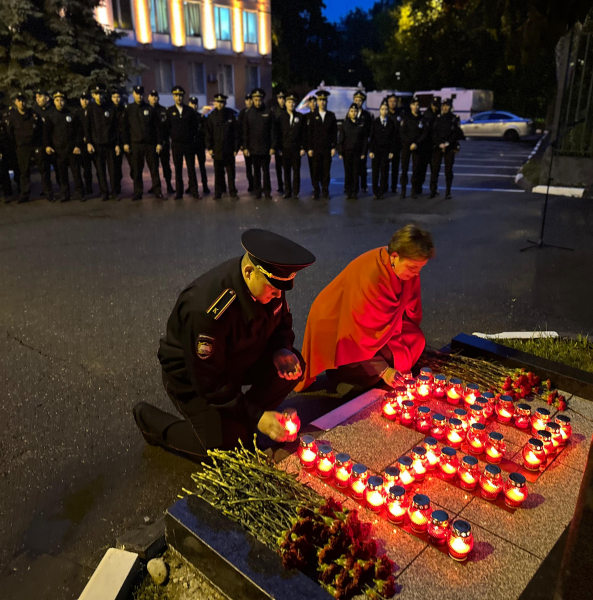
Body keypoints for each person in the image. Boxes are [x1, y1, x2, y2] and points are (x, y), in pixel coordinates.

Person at [133, 229, 316, 457]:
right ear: (249, 272)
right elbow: (209, 382)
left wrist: (280, 348)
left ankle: (241, 421)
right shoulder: (207, 309)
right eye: (273, 288)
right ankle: (151, 422)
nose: (279, 295)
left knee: (293, 366)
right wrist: (258, 417)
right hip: (193, 377)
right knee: (229, 450)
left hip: (237, 360)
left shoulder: (270, 286)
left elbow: (282, 323)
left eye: (281, 289)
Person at [297, 224, 434, 394]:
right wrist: (384, 371)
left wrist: (402, 332)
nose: (416, 273)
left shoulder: (405, 269)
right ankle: (342, 377)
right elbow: (356, 336)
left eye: (420, 268)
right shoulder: (371, 278)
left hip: (376, 330)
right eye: (413, 267)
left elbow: (412, 311)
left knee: (416, 339)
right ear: (395, 256)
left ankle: (363, 379)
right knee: (387, 359)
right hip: (341, 332)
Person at [6, 92, 50, 203]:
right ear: (16, 102)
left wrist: (41, 145)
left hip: (35, 146)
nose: (22, 103)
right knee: (24, 172)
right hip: (22, 148)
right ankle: (25, 194)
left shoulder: (34, 114)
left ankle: (48, 192)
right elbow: (10, 133)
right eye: (19, 100)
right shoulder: (13, 116)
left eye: (23, 100)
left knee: (43, 169)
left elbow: (41, 130)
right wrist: (15, 146)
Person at [123, 85, 164, 201]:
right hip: (136, 144)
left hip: (150, 144)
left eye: (141, 94)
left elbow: (157, 128)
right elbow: (125, 128)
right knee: (137, 170)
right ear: (133, 94)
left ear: (144, 95)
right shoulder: (129, 109)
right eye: (137, 93)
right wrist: (126, 143)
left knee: (154, 169)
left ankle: (157, 191)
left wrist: (159, 143)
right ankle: (138, 193)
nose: (139, 96)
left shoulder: (150, 109)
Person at [44, 91, 85, 203]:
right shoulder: (50, 115)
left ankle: (80, 193)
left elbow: (79, 132)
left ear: (65, 101)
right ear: (54, 101)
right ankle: (65, 194)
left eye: (62, 100)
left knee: (76, 173)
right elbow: (46, 133)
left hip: (72, 149)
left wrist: (77, 145)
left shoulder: (72, 114)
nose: (60, 102)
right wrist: (48, 146)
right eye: (57, 100)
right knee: (62, 175)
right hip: (58, 150)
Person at [86, 86, 120, 201]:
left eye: (100, 93)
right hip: (97, 145)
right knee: (100, 171)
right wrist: (89, 143)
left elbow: (116, 127)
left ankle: (114, 192)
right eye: (96, 94)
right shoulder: (91, 108)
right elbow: (88, 127)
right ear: (93, 95)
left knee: (113, 170)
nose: (99, 96)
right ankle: (104, 192)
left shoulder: (110, 107)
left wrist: (117, 144)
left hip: (110, 144)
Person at [167, 85, 201, 200]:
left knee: (191, 168)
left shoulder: (189, 111)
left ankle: (194, 191)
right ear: (173, 97)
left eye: (180, 95)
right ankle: (179, 193)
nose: (179, 98)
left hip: (188, 144)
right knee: (178, 169)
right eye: (176, 95)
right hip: (176, 144)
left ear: (183, 97)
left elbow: (195, 126)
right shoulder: (170, 111)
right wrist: (172, 137)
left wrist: (190, 137)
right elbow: (167, 127)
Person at [243, 88, 276, 199]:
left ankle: (267, 192)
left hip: (266, 148)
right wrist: (245, 147)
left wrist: (273, 146)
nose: (258, 102)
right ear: (252, 100)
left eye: (259, 100)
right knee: (256, 171)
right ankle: (257, 191)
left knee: (266, 171)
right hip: (253, 148)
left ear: (262, 99)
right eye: (255, 100)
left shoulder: (268, 112)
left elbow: (272, 131)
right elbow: (245, 132)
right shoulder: (249, 113)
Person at [205, 93, 239, 200]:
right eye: (218, 102)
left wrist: (236, 148)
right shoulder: (211, 116)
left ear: (225, 103)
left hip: (229, 149)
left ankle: (232, 192)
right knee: (218, 173)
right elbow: (208, 133)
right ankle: (218, 193)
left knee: (231, 173)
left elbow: (236, 133)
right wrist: (209, 147)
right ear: (215, 103)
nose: (220, 104)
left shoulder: (230, 115)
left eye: (222, 102)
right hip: (217, 149)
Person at [0, 90, 19, 199]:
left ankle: (20, 187)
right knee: (1, 169)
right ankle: (7, 191)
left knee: (16, 166)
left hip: (10, 143)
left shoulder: (9, 110)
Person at [429, 98, 463, 199]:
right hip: (438, 147)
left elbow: (456, 133)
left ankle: (448, 191)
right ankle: (433, 190)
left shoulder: (454, 118)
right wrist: (439, 144)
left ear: (450, 107)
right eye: (443, 105)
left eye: (447, 106)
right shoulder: (438, 118)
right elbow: (434, 133)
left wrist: (447, 143)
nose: (444, 108)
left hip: (449, 147)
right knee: (435, 169)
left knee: (448, 171)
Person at [306, 90, 336, 200]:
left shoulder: (331, 116)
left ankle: (325, 190)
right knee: (315, 170)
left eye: (324, 100)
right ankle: (316, 190)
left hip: (327, 148)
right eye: (320, 100)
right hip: (316, 148)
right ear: (317, 101)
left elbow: (334, 133)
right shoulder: (313, 116)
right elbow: (309, 133)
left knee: (326, 171)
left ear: (327, 101)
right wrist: (309, 148)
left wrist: (333, 147)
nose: (322, 102)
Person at [275, 94, 305, 199]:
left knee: (296, 171)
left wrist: (303, 147)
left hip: (296, 149)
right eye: (289, 102)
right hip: (285, 149)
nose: (291, 104)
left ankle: (296, 192)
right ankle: (287, 191)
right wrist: (278, 148)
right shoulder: (281, 117)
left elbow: (303, 134)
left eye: (293, 102)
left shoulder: (300, 117)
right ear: (286, 103)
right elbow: (278, 134)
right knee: (286, 171)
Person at [399, 96, 428, 199]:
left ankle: (413, 191)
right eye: (413, 104)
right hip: (406, 146)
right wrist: (410, 143)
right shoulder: (406, 117)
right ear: (410, 106)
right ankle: (403, 191)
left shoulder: (422, 118)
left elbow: (424, 133)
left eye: (417, 105)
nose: (415, 107)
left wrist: (416, 143)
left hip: (417, 146)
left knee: (416, 169)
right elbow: (402, 133)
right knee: (404, 169)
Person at [338, 103, 367, 200]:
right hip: (347, 152)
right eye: (351, 111)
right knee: (348, 172)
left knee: (356, 172)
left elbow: (364, 139)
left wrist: (363, 152)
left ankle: (355, 191)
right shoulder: (345, 124)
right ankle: (348, 191)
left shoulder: (361, 123)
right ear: (349, 112)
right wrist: (340, 151)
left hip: (357, 152)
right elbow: (341, 139)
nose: (353, 113)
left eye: (355, 111)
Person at [369, 101, 397, 200]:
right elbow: (372, 137)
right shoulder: (375, 122)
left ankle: (382, 191)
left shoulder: (391, 123)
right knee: (375, 172)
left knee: (384, 171)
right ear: (379, 110)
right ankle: (375, 191)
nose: (384, 111)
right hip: (376, 151)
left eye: (386, 109)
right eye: (382, 109)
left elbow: (393, 138)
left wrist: (391, 151)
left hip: (386, 150)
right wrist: (371, 150)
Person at [149, 90, 175, 195]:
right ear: (148, 98)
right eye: (152, 96)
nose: (154, 98)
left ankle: (169, 185)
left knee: (166, 166)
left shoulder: (164, 110)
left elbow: (169, 126)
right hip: (151, 144)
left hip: (164, 143)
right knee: (153, 166)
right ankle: (155, 186)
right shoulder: (146, 110)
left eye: (156, 96)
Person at [33, 89, 58, 196]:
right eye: (36, 97)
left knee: (58, 168)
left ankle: (63, 189)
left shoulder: (54, 110)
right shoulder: (35, 111)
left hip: (54, 144)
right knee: (44, 170)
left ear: (47, 98)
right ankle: (47, 191)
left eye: (40, 96)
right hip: (41, 145)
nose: (37, 99)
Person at [188, 96, 211, 196]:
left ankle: (205, 186)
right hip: (190, 146)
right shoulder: (186, 117)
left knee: (202, 167)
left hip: (200, 145)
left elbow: (205, 131)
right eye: (192, 103)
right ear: (189, 104)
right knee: (191, 167)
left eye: (195, 104)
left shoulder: (201, 117)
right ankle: (191, 186)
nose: (194, 106)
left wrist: (206, 144)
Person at [353, 90, 372, 195]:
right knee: (352, 167)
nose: (357, 102)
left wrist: (367, 145)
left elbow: (369, 130)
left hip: (362, 144)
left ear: (363, 102)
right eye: (356, 100)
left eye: (360, 100)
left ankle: (364, 186)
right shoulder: (350, 113)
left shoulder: (366, 115)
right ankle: (351, 185)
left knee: (362, 167)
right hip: (353, 144)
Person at [110, 89, 129, 197]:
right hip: (115, 142)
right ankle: (116, 189)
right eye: (114, 97)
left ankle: (137, 188)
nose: (116, 99)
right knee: (116, 167)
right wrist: (116, 143)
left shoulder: (125, 110)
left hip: (126, 141)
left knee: (134, 166)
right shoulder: (110, 110)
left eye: (118, 97)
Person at [78, 93, 94, 196]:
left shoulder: (93, 111)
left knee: (92, 167)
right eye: (82, 99)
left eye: (86, 99)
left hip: (93, 142)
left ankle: (90, 187)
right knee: (85, 167)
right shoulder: (78, 113)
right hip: (82, 144)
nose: (84, 101)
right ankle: (87, 187)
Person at [386, 94, 403, 193]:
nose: (392, 103)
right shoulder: (386, 113)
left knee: (395, 167)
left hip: (397, 144)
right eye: (390, 101)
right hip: (386, 144)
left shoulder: (400, 114)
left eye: (394, 101)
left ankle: (394, 186)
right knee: (385, 166)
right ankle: (384, 185)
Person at [238, 93, 254, 192]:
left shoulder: (256, 111)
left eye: (251, 99)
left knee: (256, 166)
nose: (249, 101)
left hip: (255, 144)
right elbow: (239, 129)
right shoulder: (243, 113)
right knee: (248, 166)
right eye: (247, 100)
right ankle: (251, 184)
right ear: (245, 101)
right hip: (246, 144)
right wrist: (241, 144)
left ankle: (257, 184)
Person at [273, 91, 286, 194]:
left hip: (287, 143)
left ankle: (287, 184)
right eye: (280, 98)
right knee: (278, 167)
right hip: (278, 143)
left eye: (283, 98)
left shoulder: (288, 110)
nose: (282, 100)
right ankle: (280, 185)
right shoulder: (274, 111)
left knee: (286, 166)